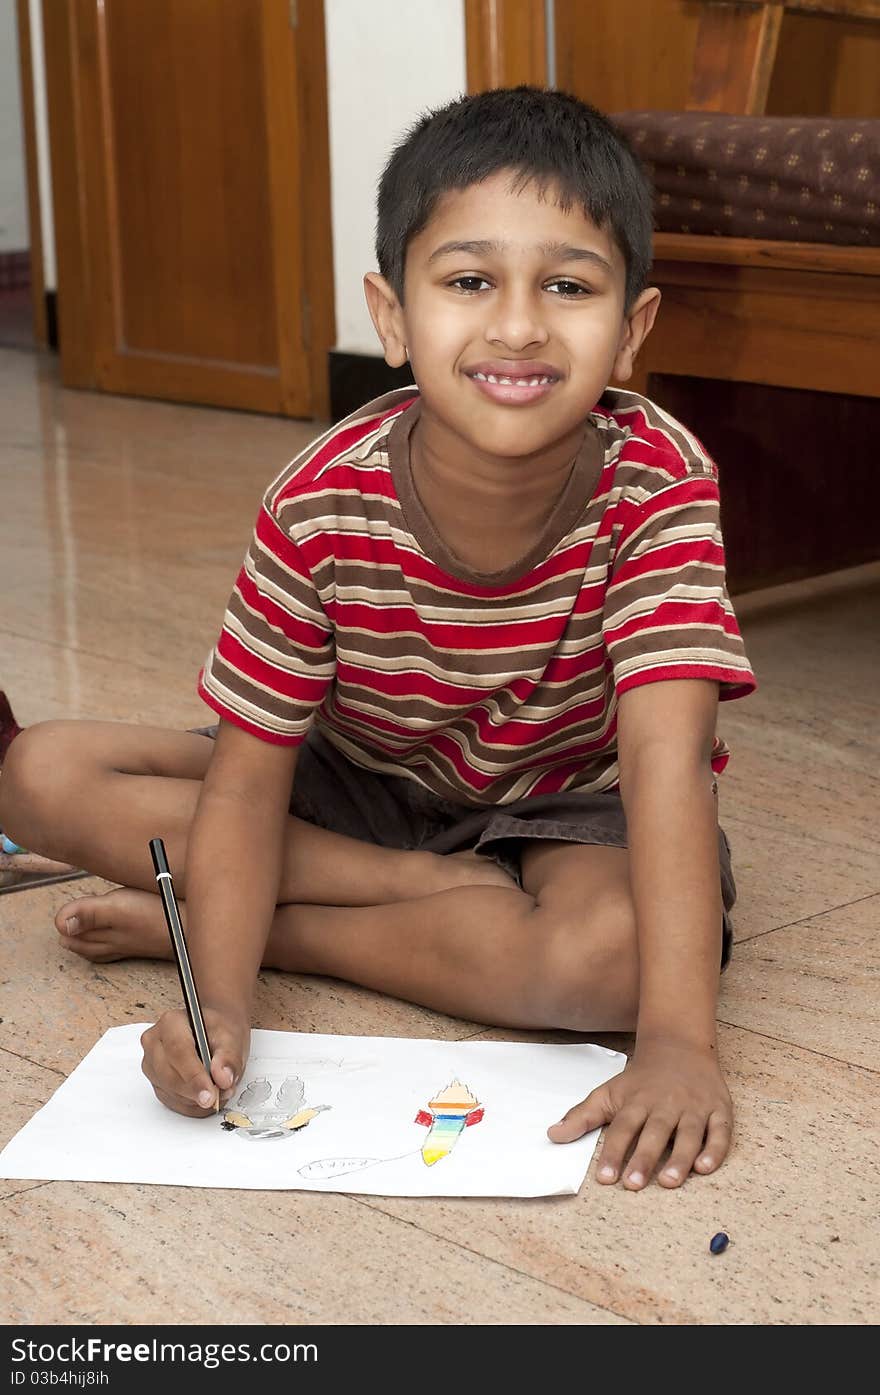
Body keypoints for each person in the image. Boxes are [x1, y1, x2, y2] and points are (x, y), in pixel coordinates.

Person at [0, 86, 756, 1192]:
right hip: (359, 774)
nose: (517, 326)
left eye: (566, 286)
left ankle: (284, 927)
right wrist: (219, 1007)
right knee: (38, 772)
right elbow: (251, 787)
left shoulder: (660, 480)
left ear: (631, 329)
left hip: (565, 797)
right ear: (392, 318)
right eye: (466, 282)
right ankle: (387, 894)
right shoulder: (318, 501)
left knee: (609, 968)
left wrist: (680, 1048)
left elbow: (663, 763)